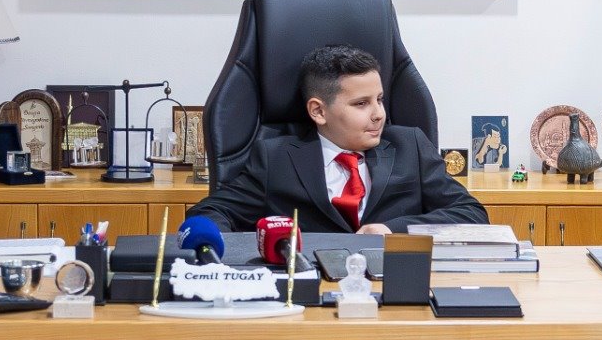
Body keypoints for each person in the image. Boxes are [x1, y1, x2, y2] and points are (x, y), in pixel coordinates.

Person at [191, 43, 485, 236]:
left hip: (393, 283)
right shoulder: (275, 158)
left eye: (380, 99)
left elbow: (471, 214)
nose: (379, 114)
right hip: (310, 287)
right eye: (361, 104)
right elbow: (210, 212)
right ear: (318, 111)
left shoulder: (410, 146)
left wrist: (393, 230)